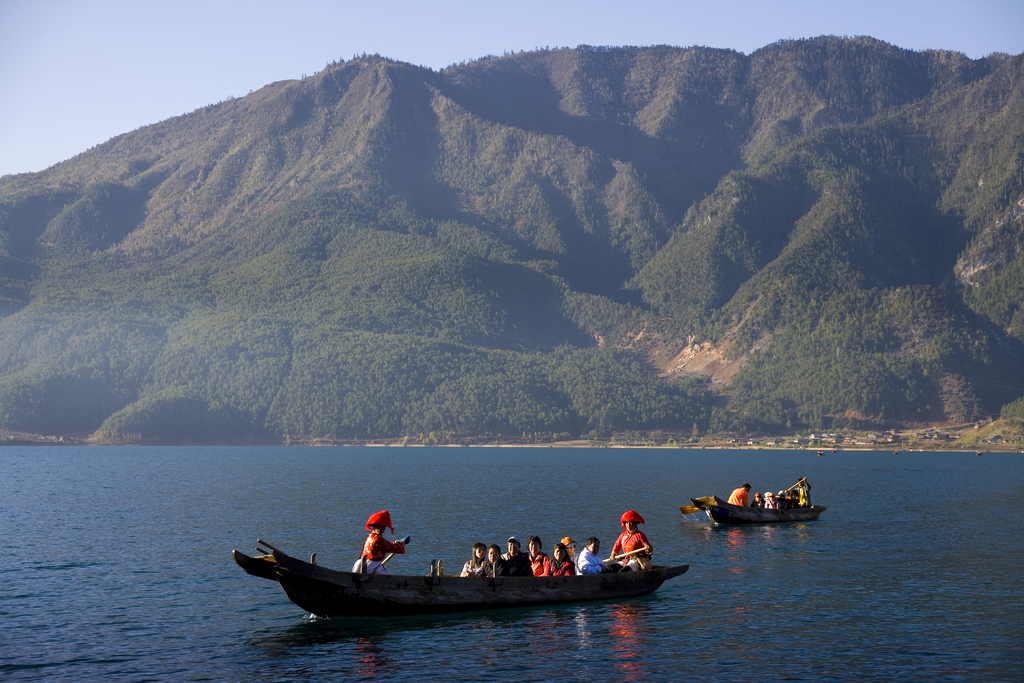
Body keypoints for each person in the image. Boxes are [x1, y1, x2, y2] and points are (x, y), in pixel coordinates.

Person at [351, 510, 409, 575]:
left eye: (383, 527)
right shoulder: (378, 540)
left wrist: (396, 542)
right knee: (381, 569)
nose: (380, 529)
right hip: (369, 566)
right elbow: (390, 547)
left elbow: (386, 545)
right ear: (374, 527)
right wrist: (402, 543)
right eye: (378, 526)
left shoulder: (370, 536)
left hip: (362, 565)